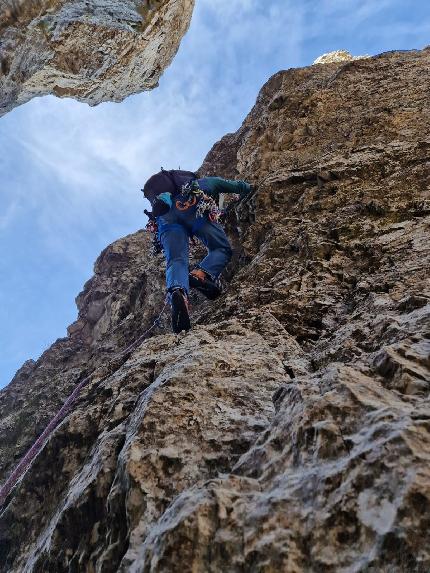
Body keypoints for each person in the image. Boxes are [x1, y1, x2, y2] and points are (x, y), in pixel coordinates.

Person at [142, 169, 253, 333]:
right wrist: (248, 188)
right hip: (194, 208)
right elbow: (238, 186)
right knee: (220, 248)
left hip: (165, 219)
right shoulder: (204, 184)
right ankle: (199, 274)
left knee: (176, 260)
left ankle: (178, 292)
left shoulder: (163, 201)